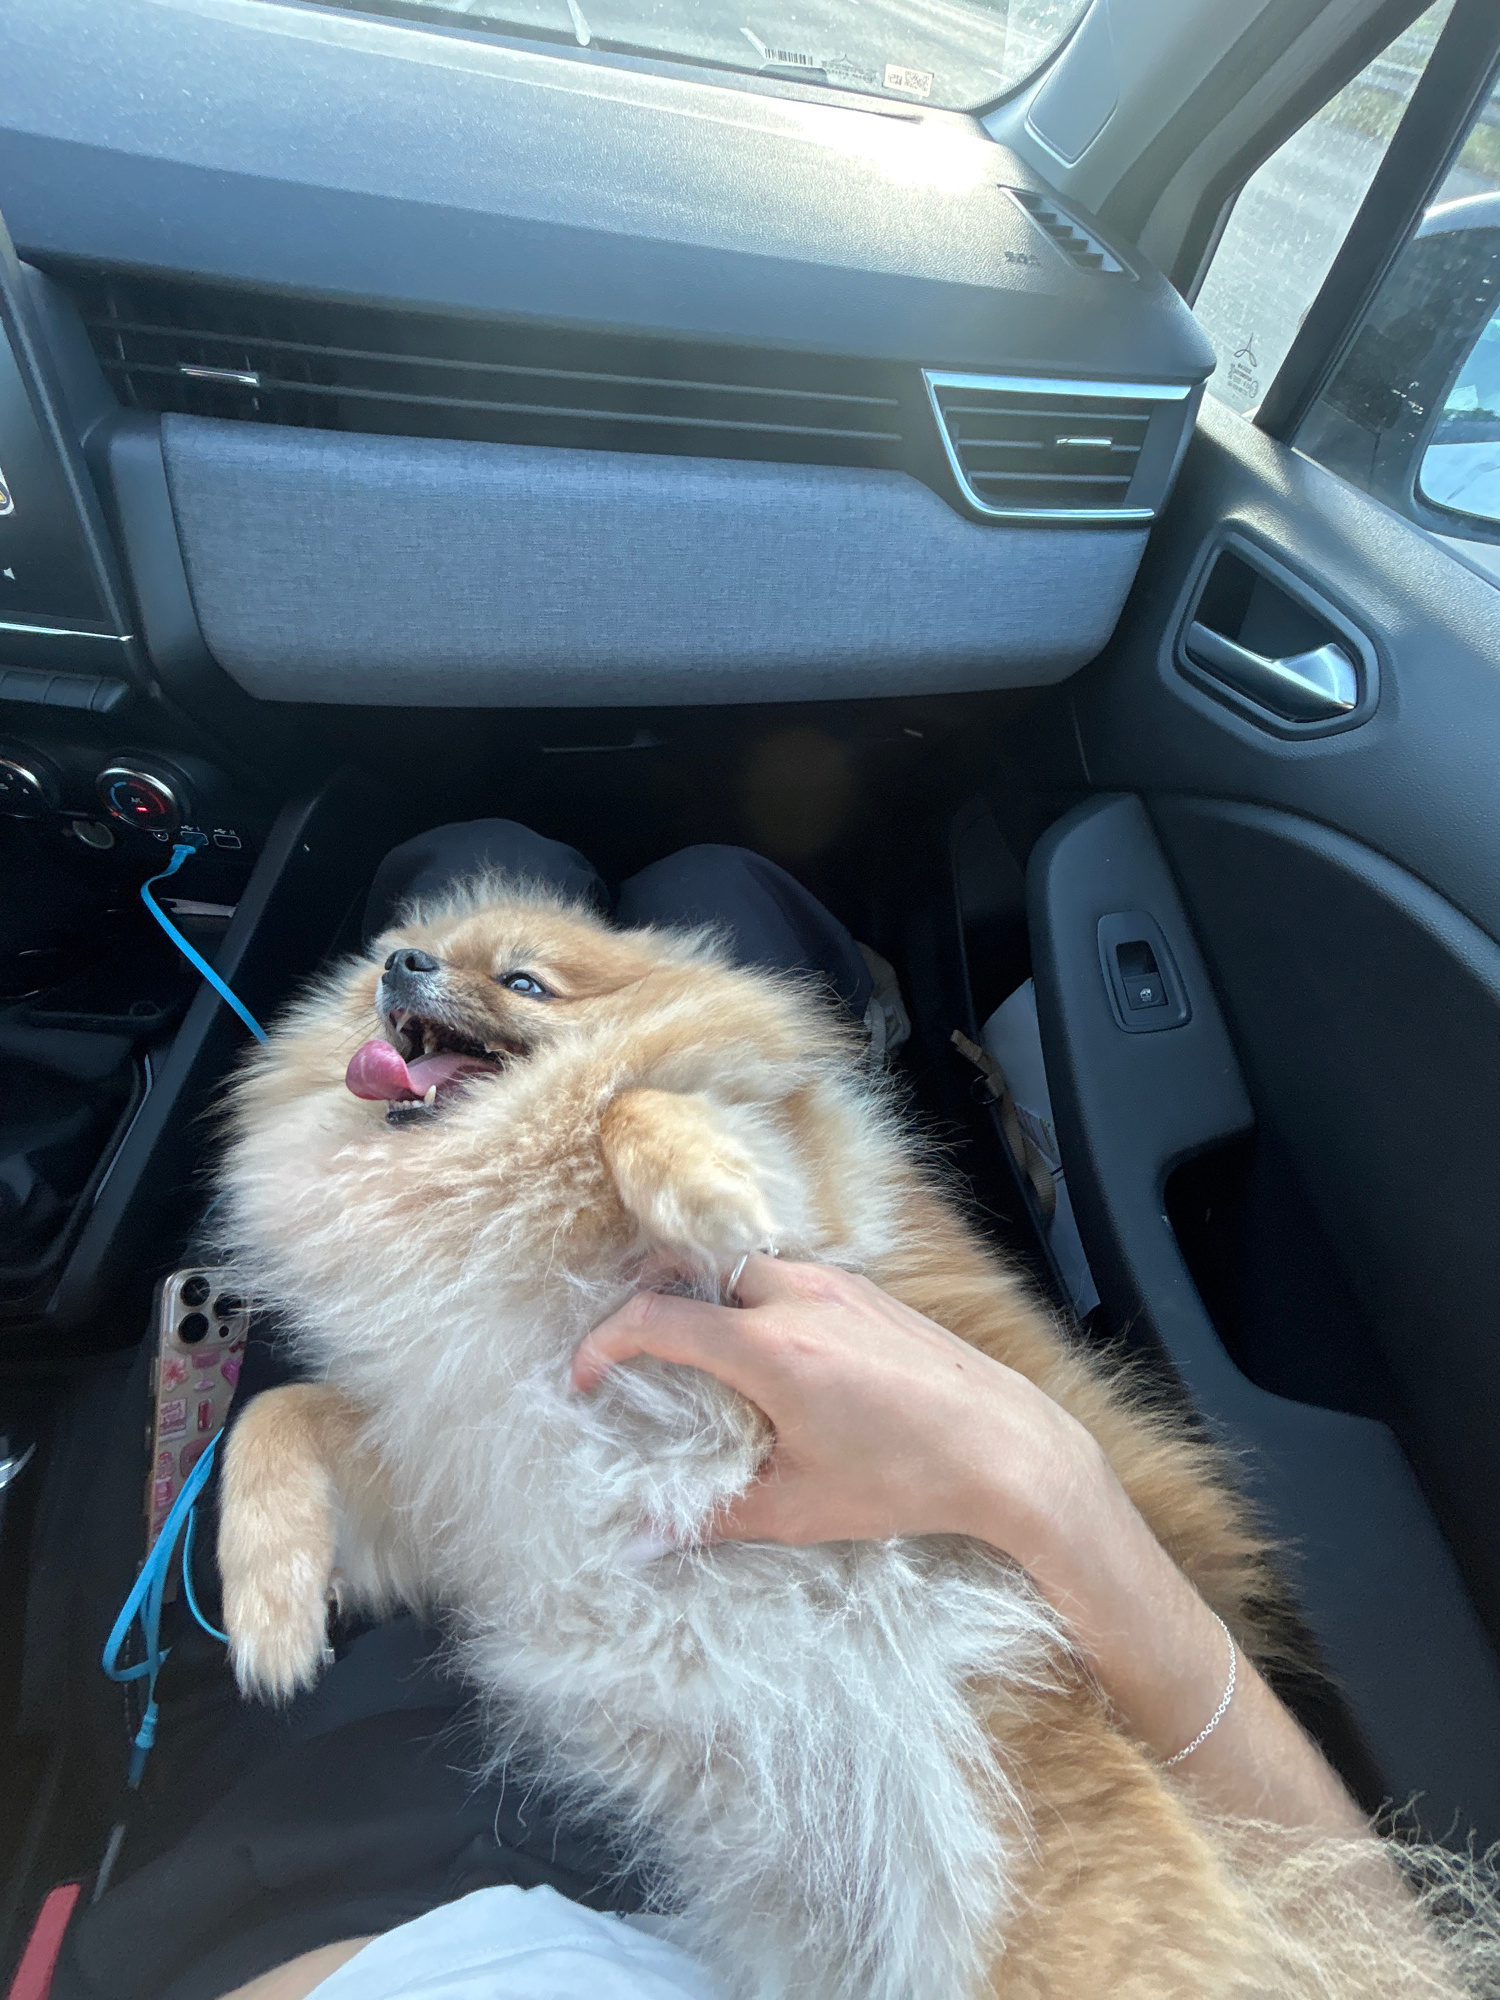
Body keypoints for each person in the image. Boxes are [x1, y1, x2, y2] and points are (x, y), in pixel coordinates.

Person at [41, 824, 1380, 2000]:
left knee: (485, 873)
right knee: (722, 893)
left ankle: (585, 908)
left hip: (338, 1827)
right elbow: (1351, 1939)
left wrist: (289, 1448)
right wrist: (1059, 1497)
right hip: (765, 1693)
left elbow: (439, 1504)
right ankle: (820, 987)